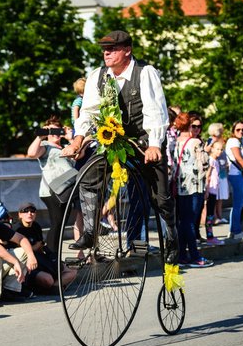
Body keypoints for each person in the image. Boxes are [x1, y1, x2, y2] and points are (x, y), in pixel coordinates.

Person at [61, 30, 179, 265]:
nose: (106, 53)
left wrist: (155, 144)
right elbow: (89, 111)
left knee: (159, 198)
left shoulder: (145, 73)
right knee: (88, 178)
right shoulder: (97, 75)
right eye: (104, 49)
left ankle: (169, 241)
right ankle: (91, 232)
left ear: (127, 50)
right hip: (113, 141)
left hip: (145, 142)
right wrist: (78, 138)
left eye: (112, 49)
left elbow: (156, 111)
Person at [26, 116, 76, 254]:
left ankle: (55, 257)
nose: (55, 133)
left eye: (58, 130)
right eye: (51, 131)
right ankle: (52, 256)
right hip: (52, 191)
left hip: (67, 190)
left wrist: (71, 139)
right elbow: (31, 153)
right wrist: (40, 137)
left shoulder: (67, 147)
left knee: (61, 225)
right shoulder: (45, 146)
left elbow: (79, 158)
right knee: (57, 224)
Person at [172, 113, 212, 267]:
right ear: (188, 126)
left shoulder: (177, 142)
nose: (196, 129)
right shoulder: (196, 142)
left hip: (181, 185)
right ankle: (195, 256)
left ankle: (182, 255)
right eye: (193, 126)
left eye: (198, 126)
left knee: (184, 221)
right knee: (189, 221)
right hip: (195, 185)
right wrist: (206, 150)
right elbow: (204, 164)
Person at [12, 202, 76, 292]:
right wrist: (36, 246)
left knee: (72, 272)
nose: (30, 213)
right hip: (27, 264)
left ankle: (55, 287)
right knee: (48, 279)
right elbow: (21, 252)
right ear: (20, 214)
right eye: (25, 211)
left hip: (41, 260)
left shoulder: (36, 226)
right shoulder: (17, 229)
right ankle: (54, 286)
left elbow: (41, 248)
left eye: (32, 211)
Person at [205, 122, 229, 224]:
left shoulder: (221, 140)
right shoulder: (211, 140)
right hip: (214, 173)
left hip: (222, 171)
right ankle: (214, 217)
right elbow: (207, 151)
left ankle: (219, 215)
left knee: (220, 197)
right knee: (214, 198)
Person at [204, 141, 226, 246]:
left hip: (214, 190)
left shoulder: (215, 161)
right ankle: (209, 236)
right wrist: (207, 190)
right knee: (210, 214)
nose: (219, 151)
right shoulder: (211, 160)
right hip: (211, 190)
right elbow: (207, 176)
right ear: (212, 148)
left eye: (221, 149)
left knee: (211, 214)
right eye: (217, 149)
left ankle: (210, 235)